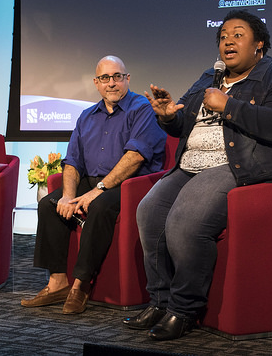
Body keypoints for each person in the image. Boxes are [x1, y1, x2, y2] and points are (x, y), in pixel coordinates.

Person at [122, 10, 272, 340]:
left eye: (238, 35)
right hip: (190, 163)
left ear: (260, 45)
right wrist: (168, 116)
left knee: (186, 220)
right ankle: (160, 300)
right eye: (223, 36)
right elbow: (182, 122)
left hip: (239, 165)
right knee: (149, 212)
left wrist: (229, 106)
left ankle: (184, 309)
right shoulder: (209, 78)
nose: (228, 41)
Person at [21, 55, 167, 315]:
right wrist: (67, 196)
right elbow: (72, 161)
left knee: (99, 207)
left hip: (130, 185)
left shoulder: (141, 108)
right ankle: (57, 283)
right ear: (96, 83)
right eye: (105, 78)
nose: (111, 83)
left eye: (117, 77)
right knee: (48, 204)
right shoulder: (86, 116)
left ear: (127, 79)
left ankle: (81, 285)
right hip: (92, 181)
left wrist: (97, 191)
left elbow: (135, 157)